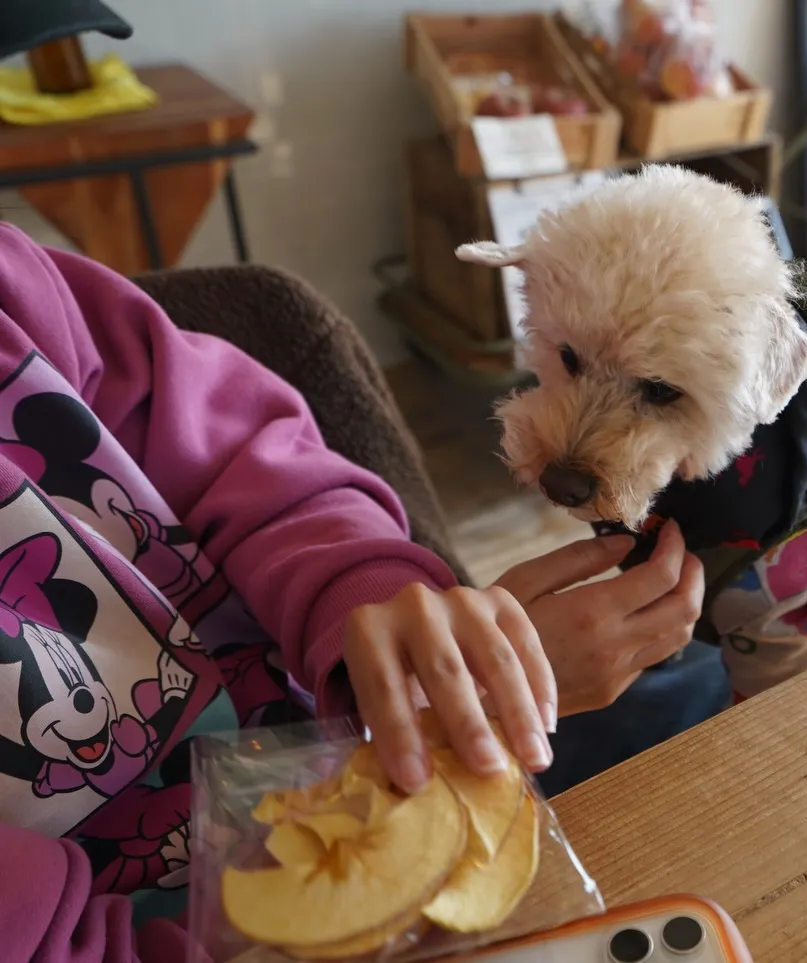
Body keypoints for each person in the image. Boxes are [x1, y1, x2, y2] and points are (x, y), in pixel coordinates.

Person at [0, 222, 707, 961]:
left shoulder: (19, 298)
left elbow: (241, 453)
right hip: (213, 925)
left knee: (693, 694)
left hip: (352, 735)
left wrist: (381, 611)